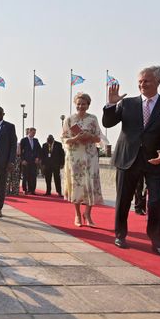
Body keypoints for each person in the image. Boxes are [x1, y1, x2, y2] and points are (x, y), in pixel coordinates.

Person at [102, 65, 160, 259]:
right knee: (123, 199)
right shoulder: (127, 103)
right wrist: (111, 105)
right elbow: (108, 123)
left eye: (146, 81)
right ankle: (120, 235)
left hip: (155, 160)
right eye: (139, 81)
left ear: (158, 81)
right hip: (127, 158)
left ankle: (158, 242)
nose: (142, 84)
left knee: (156, 202)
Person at [63, 92, 104, 226]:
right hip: (75, 156)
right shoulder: (69, 119)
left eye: (84, 104)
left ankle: (88, 213)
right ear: (75, 104)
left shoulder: (93, 119)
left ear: (88, 105)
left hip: (90, 155)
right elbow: (63, 138)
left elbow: (98, 138)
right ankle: (77, 214)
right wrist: (75, 138)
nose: (81, 106)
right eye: (78, 104)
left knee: (90, 184)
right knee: (77, 184)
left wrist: (89, 136)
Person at [19, 127, 41, 195]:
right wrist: (22, 160)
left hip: (33, 161)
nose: (34, 134)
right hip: (26, 161)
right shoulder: (24, 140)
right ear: (29, 132)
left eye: (35, 133)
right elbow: (20, 151)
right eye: (33, 132)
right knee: (25, 176)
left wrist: (38, 157)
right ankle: (25, 189)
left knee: (33, 176)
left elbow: (39, 150)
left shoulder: (36, 140)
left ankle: (32, 190)